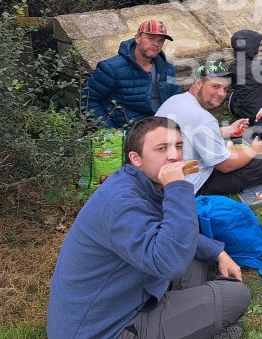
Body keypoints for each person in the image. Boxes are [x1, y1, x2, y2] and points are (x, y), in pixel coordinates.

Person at [47, 116, 250, 339]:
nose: (174, 155)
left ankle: (191, 320)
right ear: (136, 158)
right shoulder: (121, 203)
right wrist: (178, 188)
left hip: (126, 295)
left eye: (178, 146)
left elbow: (173, 233)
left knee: (193, 253)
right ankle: (194, 324)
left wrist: (216, 251)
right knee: (236, 295)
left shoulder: (141, 184)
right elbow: (171, 263)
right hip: (105, 329)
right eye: (161, 148)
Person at [156, 60, 262, 194]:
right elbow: (225, 166)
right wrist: (254, 150)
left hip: (160, 176)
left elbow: (190, 133)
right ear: (198, 83)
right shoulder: (202, 118)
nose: (221, 94)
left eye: (225, 89)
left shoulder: (175, 100)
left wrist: (228, 131)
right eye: (215, 86)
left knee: (239, 145)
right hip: (187, 183)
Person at [83, 19, 180, 128]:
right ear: (137, 38)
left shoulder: (168, 69)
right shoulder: (111, 68)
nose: (156, 44)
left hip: (162, 129)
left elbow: (174, 102)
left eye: (161, 40)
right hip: (129, 132)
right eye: (150, 38)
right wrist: (110, 132)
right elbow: (88, 100)